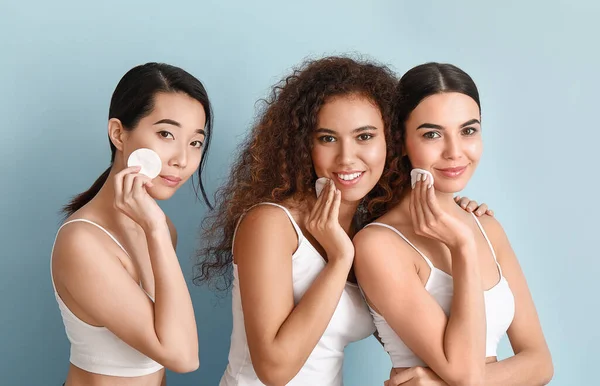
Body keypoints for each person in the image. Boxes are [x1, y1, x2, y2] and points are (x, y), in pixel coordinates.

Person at [196, 56, 489, 386]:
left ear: (391, 142)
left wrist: (457, 211)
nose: (347, 157)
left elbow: (417, 342)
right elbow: (274, 369)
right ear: (303, 145)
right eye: (328, 138)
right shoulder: (271, 224)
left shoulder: (369, 233)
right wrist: (339, 260)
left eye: (364, 137)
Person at [354, 62, 553, 386]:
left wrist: (438, 384)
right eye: (432, 134)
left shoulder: (487, 228)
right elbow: (464, 374)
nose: (455, 152)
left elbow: (541, 363)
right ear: (401, 140)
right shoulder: (379, 245)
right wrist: (461, 248)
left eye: (468, 130)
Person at [51, 62, 213, 386]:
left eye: (195, 142)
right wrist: (154, 228)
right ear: (118, 133)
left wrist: (155, 229)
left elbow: (157, 360)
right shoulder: (82, 243)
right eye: (166, 134)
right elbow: (182, 355)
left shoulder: (160, 227)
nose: (182, 159)